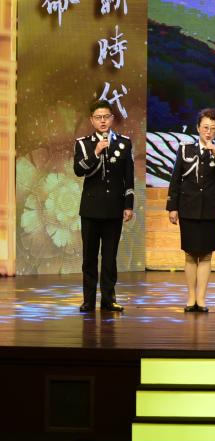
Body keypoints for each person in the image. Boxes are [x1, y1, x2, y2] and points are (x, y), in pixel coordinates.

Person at [166, 108, 215, 312]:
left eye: (213, 128)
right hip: (188, 207)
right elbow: (176, 179)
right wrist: (172, 207)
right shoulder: (185, 149)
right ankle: (191, 297)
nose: (208, 132)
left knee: (206, 255)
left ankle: (201, 298)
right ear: (198, 128)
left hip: (212, 209)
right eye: (205, 127)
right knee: (190, 255)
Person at [73, 100, 134, 313]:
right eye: (98, 117)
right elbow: (78, 170)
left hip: (114, 209)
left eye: (106, 117)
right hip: (91, 209)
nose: (102, 121)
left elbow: (128, 176)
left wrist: (128, 205)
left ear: (112, 119)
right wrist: (96, 151)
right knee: (89, 257)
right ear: (92, 120)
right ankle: (88, 300)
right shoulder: (83, 144)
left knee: (110, 257)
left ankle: (109, 299)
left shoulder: (124, 143)